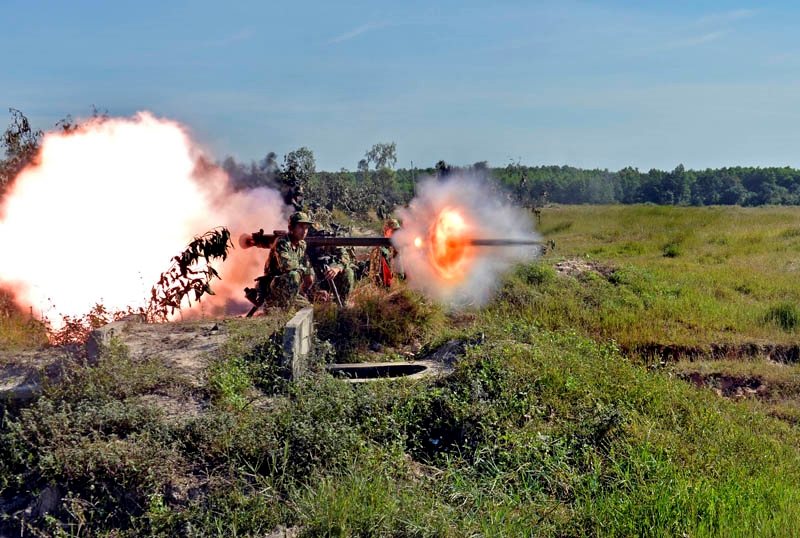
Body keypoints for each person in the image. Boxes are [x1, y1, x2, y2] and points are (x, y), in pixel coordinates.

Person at [264, 211, 315, 306]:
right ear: (290, 228)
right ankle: (279, 307)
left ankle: (292, 303)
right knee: (294, 275)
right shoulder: (282, 242)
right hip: (271, 284)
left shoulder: (302, 244)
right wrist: (305, 271)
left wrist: (310, 274)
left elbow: (306, 263)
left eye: (306, 228)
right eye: (300, 227)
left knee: (309, 307)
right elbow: (286, 265)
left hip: (289, 285)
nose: (304, 231)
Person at [306, 223, 355, 306]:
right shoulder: (304, 246)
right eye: (317, 237)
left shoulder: (330, 243)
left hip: (328, 275)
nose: (321, 240)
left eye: (323, 236)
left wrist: (337, 268)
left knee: (348, 271)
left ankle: (342, 302)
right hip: (312, 280)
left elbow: (345, 256)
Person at [369, 218, 403, 287]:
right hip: (386, 289)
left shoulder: (399, 247)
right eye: (392, 232)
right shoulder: (380, 250)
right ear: (385, 233)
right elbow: (376, 277)